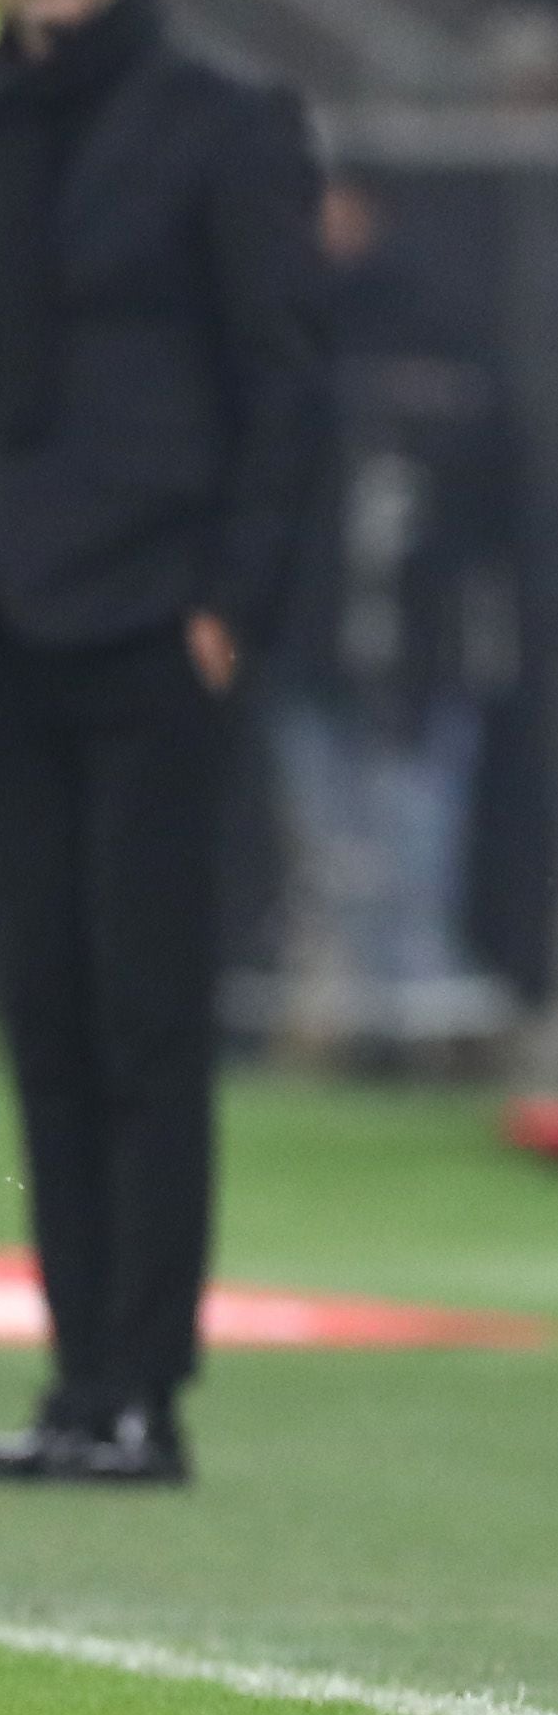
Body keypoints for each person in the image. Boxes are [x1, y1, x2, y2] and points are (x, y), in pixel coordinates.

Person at [0, 0, 327, 1487]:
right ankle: (78, 1382)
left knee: (146, 1016)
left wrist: (230, 606)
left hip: (153, 621)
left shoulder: (225, 120)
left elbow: (283, 381)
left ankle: (145, 1388)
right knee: (45, 1014)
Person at [263, 173, 520, 1068]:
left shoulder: (441, 345)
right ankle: (347, 1015)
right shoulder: (287, 344)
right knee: (327, 848)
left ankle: (417, 1017)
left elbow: (494, 513)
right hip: (313, 644)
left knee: (415, 839)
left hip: (420, 645)